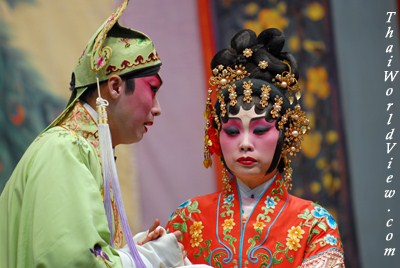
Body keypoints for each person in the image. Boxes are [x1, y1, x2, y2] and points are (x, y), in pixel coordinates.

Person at [0, 1, 201, 267]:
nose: (157, 108)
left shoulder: (80, 150)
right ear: (115, 86)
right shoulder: (65, 150)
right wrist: (148, 258)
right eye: (152, 89)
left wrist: (130, 251)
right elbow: (73, 261)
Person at [166, 28, 345, 267]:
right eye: (231, 131)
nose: (245, 144)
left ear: (286, 135)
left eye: (260, 130)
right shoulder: (188, 218)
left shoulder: (315, 224)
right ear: (216, 136)